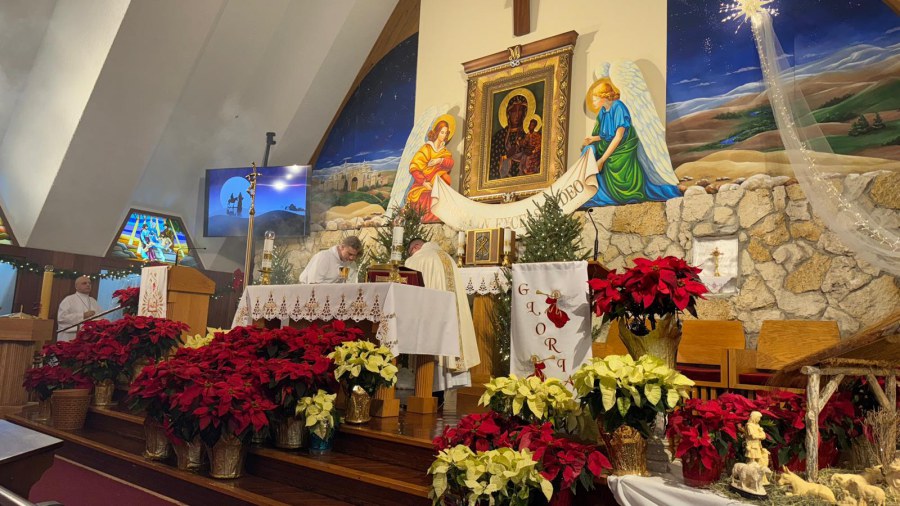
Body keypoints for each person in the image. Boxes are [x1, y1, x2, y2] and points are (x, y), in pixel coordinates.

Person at [582, 80, 682, 206]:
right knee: (589, 151)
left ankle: (607, 194)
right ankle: (590, 191)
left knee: (607, 163)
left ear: (604, 96)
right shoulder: (602, 112)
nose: (593, 101)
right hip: (612, 145)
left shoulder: (619, 107)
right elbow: (607, 135)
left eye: (595, 98)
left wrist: (602, 160)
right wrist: (593, 139)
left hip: (624, 148)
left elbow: (618, 136)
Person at [404, 239, 480, 392]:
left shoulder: (418, 259)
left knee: (430, 347)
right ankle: (440, 394)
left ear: (416, 247)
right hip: (450, 318)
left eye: (411, 252)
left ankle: (427, 391)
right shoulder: (448, 258)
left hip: (430, 316)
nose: (411, 255)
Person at [407, 120, 454, 223]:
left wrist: (439, 160)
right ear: (437, 132)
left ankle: (437, 218)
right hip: (422, 183)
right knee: (425, 196)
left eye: (446, 133)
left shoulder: (444, 151)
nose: (444, 135)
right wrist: (424, 182)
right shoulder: (426, 148)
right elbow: (414, 167)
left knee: (445, 180)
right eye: (442, 132)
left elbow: (450, 163)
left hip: (437, 183)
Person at [489, 94, 529, 180]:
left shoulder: (526, 136)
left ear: (524, 113)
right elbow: (491, 162)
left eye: (520, 111)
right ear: (509, 113)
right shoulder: (499, 136)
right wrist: (506, 157)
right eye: (514, 111)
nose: (517, 115)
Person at [57, 275, 102, 342]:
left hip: (89, 336)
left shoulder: (93, 301)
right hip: (71, 336)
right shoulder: (69, 300)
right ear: (76, 286)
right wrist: (83, 315)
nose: (88, 285)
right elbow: (61, 318)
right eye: (84, 283)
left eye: (89, 283)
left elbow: (100, 317)